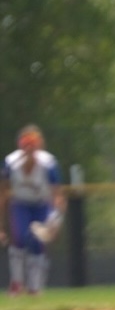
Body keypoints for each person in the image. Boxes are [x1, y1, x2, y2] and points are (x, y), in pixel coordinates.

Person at [1, 125, 66, 296]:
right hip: (20, 204)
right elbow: (2, 193)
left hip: (41, 205)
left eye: (33, 142)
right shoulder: (10, 163)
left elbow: (57, 195)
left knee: (38, 242)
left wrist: (55, 220)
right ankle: (16, 283)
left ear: (39, 145)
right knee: (20, 238)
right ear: (20, 144)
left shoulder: (48, 164)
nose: (29, 147)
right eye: (25, 142)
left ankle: (35, 288)